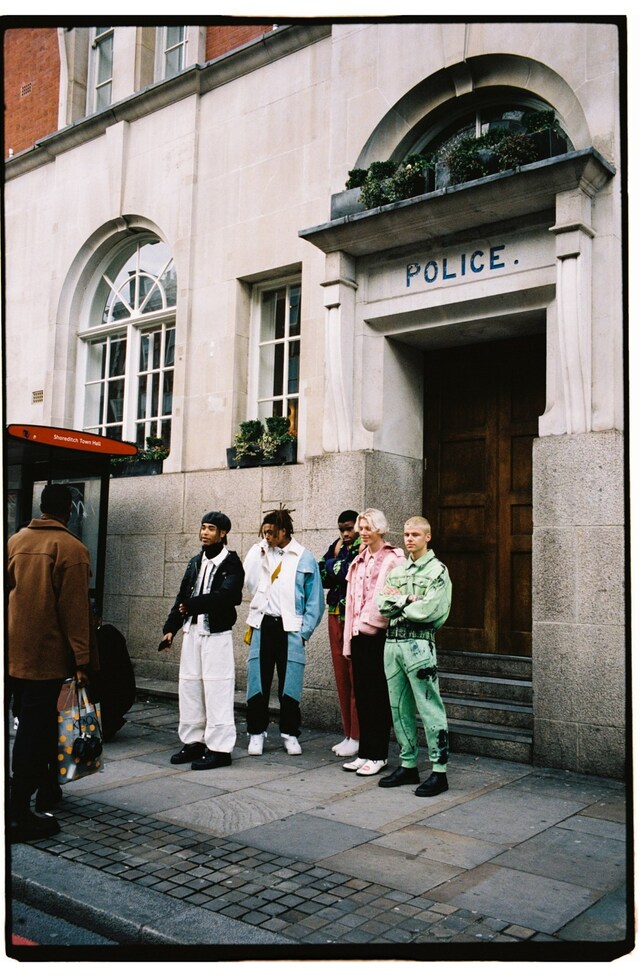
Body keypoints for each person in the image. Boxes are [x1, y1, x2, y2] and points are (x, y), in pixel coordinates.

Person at [7, 484, 96, 842]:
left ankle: (47, 788)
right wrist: (82, 660)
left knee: (32, 724)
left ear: (42, 508)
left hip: (14, 655)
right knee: (34, 729)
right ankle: (16, 812)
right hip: (46, 658)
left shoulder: (15, 542)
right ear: (69, 512)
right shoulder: (71, 549)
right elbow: (75, 612)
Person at [160, 511, 244, 770]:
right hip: (192, 632)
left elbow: (229, 596)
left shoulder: (231, 563)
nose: (205, 532)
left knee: (217, 688)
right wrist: (170, 628)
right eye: (203, 527)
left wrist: (193, 605)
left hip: (216, 635)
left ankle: (220, 749)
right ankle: (194, 741)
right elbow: (182, 596)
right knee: (190, 687)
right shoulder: (196, 561)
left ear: (223, 534)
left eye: (211, 529)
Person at [377, 516, 453, 796]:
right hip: (393, 643)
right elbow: (381, 603)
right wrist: (407, 600)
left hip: (420, 645)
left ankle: (439, 771)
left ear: (427, 537)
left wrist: (401, 605)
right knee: (399, 707)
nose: (409, 539)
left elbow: (430, 611)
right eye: (407, 534)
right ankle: (408, 764)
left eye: (415, 535)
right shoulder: (398, 571)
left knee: (430, 706)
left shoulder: (438, 572)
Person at [243, 507, 324, 756]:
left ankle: (290, 733)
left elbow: (315, 600)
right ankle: (256, 733)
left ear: (284, 531)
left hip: (291, 628)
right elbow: (249, 584)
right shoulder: (259, 552)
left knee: (290, 684)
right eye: (264, 532)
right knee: (257, 682)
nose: (266, 537)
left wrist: (304, 632)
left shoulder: (304, 557)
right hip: (263, 624)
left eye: (271, 532)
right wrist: (259, 556)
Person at [342, 509, 404, 777]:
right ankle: (365, 751)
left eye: (368, 528)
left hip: (380, 636)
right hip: (358, 636)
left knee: (378, 697)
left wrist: (371, 620)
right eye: (361, 528)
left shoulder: (393, 559)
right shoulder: (358, 560)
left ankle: (378, 754)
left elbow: (393, 596)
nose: (363, 533)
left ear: (380, 529)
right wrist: (348, 642)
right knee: (363, 697)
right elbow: (351, 603)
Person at [319, 510, 361, 757]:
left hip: (352, 615)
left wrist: (334, 566)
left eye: (349, 528)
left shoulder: (361, 546)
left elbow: (348, 573)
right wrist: (335, 566)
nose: (345, 533)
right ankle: (348, 733)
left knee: (355, 676)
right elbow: (322, 574)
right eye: (342, 529)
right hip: (335, 611)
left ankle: (358, 734)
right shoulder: (336, 546)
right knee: (341, 677)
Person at [93, 607, 137, 741]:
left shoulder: (106, 636)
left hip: (112, 693)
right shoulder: (108, 634)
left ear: (98, 620)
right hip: (118, 694)